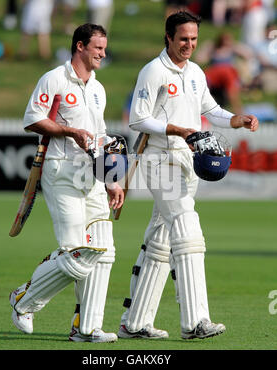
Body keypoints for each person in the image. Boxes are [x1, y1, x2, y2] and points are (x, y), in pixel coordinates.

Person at [118, 11, 258, 340]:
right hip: (159, 158)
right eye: (183, 39)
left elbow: (209, 110)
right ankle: (195, 322)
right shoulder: (152, 71)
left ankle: (134, 323)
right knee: (188, 229)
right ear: (168, 37)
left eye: (194, 39)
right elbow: (137, 120)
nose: (189, 45)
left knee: (161, 241)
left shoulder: (195, 71)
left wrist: (236, 119)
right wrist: (175, 129)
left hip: (187, 159)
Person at [9, 23, 124, 343]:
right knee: (77, 256)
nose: (102, 53)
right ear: (80, 47)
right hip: (61, 174)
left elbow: (100, 138)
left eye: (104, 48)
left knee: (105, 253)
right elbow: (32, 119)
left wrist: (113, 181)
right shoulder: (55, 79)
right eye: (97, 48)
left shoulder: (98, 88)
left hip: (93, 179)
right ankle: (24, 300)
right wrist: (69, 131)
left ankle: (87, 329)